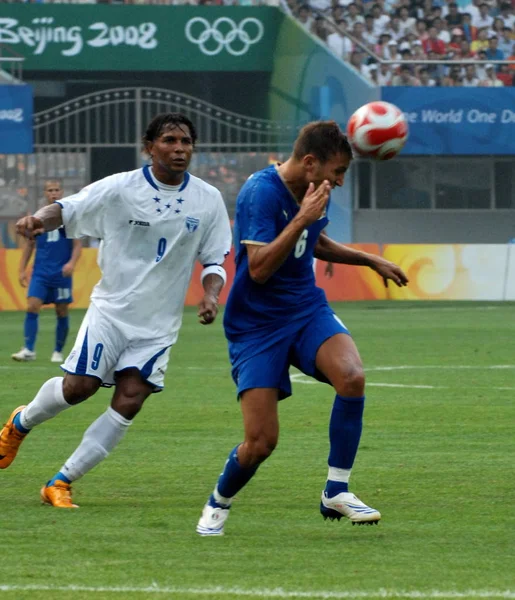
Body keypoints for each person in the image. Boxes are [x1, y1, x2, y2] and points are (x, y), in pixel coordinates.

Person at [0, 113, 232, 508]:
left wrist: (211, 295)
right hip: (111, 313)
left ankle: (61, 482)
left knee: (130, 399)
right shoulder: (120, 188)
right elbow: (67, 208)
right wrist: (37, 220)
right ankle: (19, 424)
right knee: (79, 389)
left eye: (186, 142)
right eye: (170, 141)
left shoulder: (207, 199)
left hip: (159, 325)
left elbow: (214, 261)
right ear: (149, 147)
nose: (179, 149)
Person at [196, 121, 408, 536]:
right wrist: (302, 217)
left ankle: (336, 490)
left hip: (305, 307)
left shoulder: (316, 189)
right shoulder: (260, 193)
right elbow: (256, 269)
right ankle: (218, 502)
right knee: (260, 443)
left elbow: (315, 239)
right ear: (310, 163)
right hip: (257, 325)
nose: (341, 182)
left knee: (352, 377)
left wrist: (370, 260)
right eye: (337, 172)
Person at [11, 180, 82, 364]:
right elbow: (29, 245)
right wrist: (21, 270)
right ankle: (29, 350)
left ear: (62, 191)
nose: (54, 193)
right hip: (40, 273)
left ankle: (58, 351)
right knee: (32, 305)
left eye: (57, 189)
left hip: (61, 274)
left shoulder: (69, 216)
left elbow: (77, 245)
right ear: (45, 193)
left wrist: (71, 263)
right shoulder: (36, 218)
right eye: (50, 190)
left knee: (62, 311)